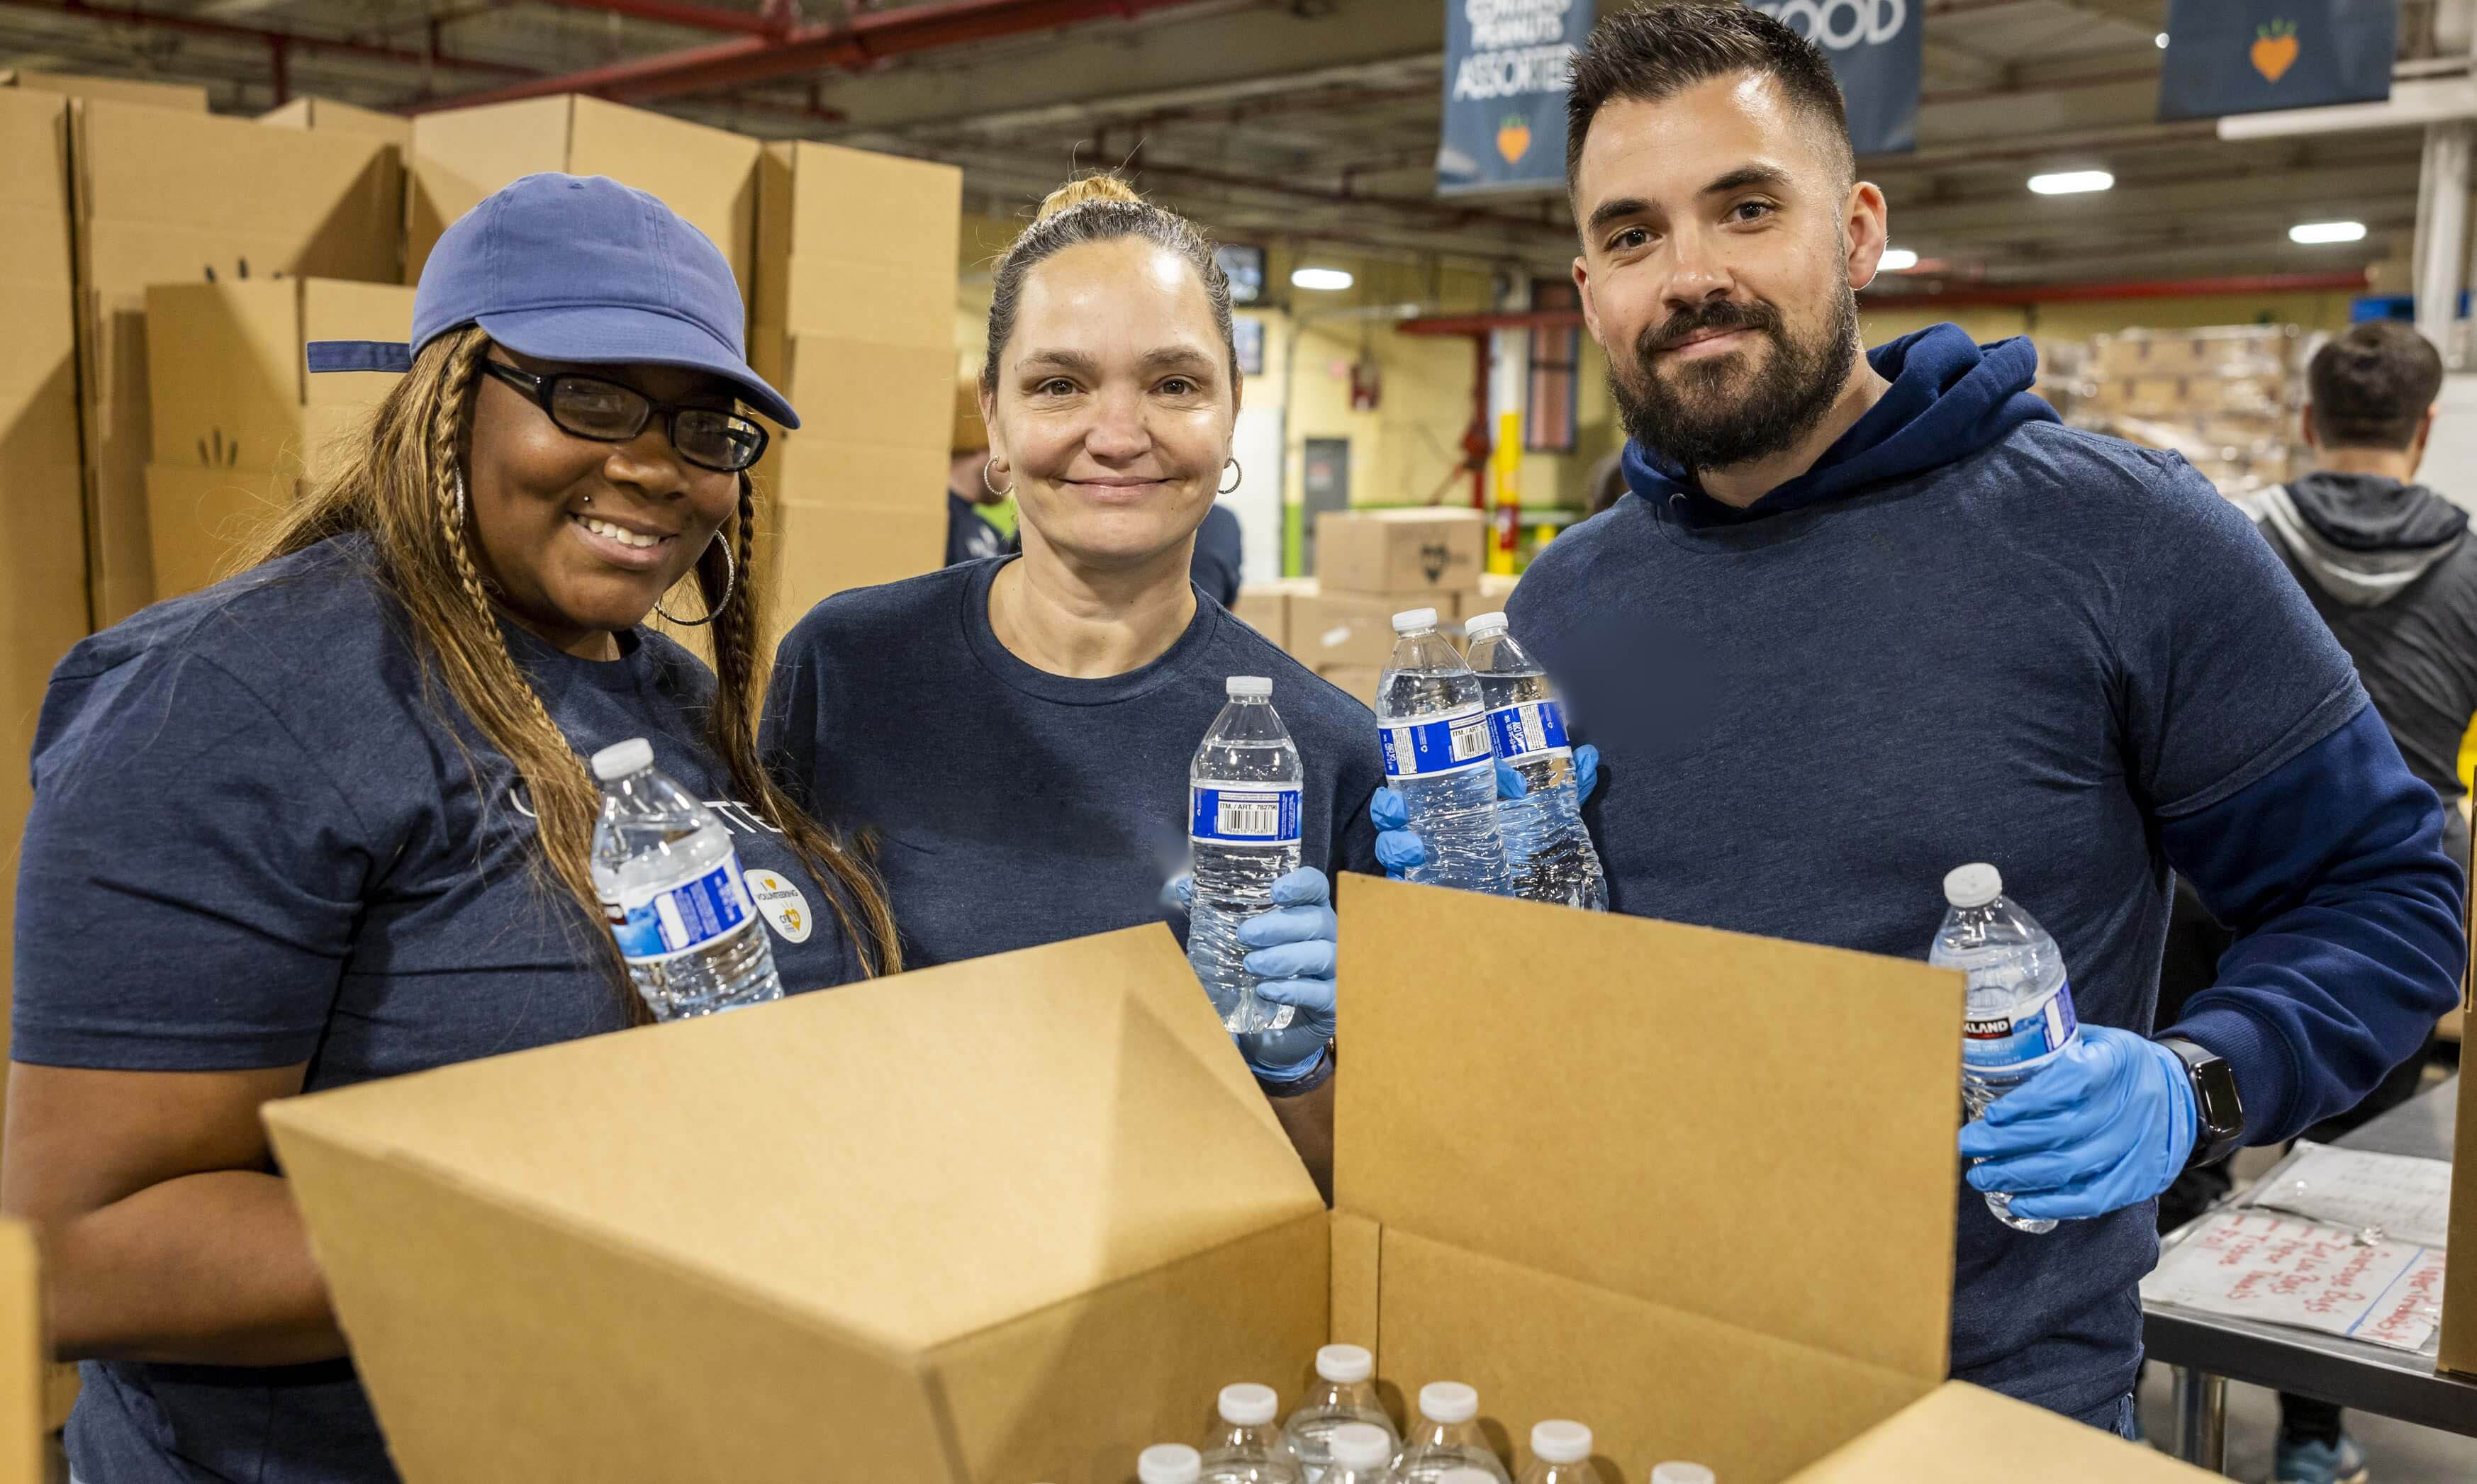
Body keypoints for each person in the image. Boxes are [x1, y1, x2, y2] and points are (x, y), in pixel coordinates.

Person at [1379, 4, 2464, 1436]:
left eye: (1747, 208)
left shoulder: (2119, 541)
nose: (1690, 273)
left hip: (1982, 1402)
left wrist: (2196, 1080)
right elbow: (1566, 1017)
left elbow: (2388, 893)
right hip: (1618, 1358)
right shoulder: (1563, 608)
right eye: (1634, 235)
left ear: (1857, 231)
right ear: (1588, 287)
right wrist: (1463, 916)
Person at [1, 174, 898, 1484]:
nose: (654, 464)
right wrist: (621, 1220)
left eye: (709, 426)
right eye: (590, 394)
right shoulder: (244, 693)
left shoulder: (662, 692)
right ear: (446, 396)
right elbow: (78, 1245)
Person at [764, 176, 1373, 1182]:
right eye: (1059, 384)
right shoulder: (849, 664)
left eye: (1174, 383)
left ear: (1229, 415)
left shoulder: (1325, 748)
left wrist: (1298, 1068)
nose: (1119, 432)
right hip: (874, 1247)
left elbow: (1360, 1181)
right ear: (993, 420)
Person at [2157, 317, 2470, 1484]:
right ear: (2423, 429)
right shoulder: (2475, 564)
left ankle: (2157, 1378)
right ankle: (2308, 1432)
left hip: (2209, 879)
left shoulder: (2227, 540)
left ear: (2306, 422)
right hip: (2386, 906)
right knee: (2340, 1177)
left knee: (2184, 1121)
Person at [946, 374, 1013, 565]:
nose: (1009, 465)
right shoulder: (937, 523)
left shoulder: (989, 531)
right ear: (987, 444)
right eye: (1006, 447)